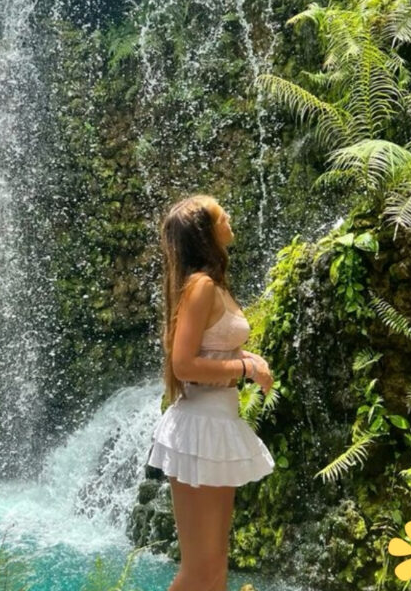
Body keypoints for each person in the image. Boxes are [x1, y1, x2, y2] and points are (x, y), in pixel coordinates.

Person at [147, 193, 275, 591]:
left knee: (216, 572)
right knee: (198, 571)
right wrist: (245, 368)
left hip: (217, 425)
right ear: (206, 232)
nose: (230, 215)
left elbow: (211, 346)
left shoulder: (213, 285)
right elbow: (183, 365)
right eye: (223, 213)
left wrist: (246, 357)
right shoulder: (199, 287)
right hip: (198, 428)